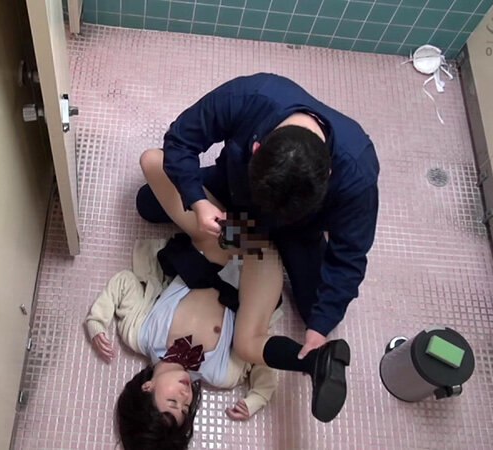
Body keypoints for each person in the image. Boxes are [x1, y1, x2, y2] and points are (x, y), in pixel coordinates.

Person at [135, 73, 379, 422]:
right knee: (147, 202)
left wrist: (319, 327)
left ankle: (315, 358)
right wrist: (197, 202)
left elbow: (350, 257)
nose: (183, 397)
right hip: (234, 213)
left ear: (327, 175)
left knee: (320, 312)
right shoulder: (248, 96)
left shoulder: (357, 172)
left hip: (292, 233)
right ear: (256, 148)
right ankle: (246, 221)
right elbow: (178, 142)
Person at [85, 235, 280, 450]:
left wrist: (97, 321)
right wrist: (258, 397)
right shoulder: (220, 373)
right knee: (267, 246)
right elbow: (261, 354)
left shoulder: (141, 335)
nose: (185, 396)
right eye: (186, 408)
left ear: (147, 387)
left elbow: (125, 282)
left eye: (173, 402)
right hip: (249, 269)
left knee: (156, 213)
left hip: (208, 243)